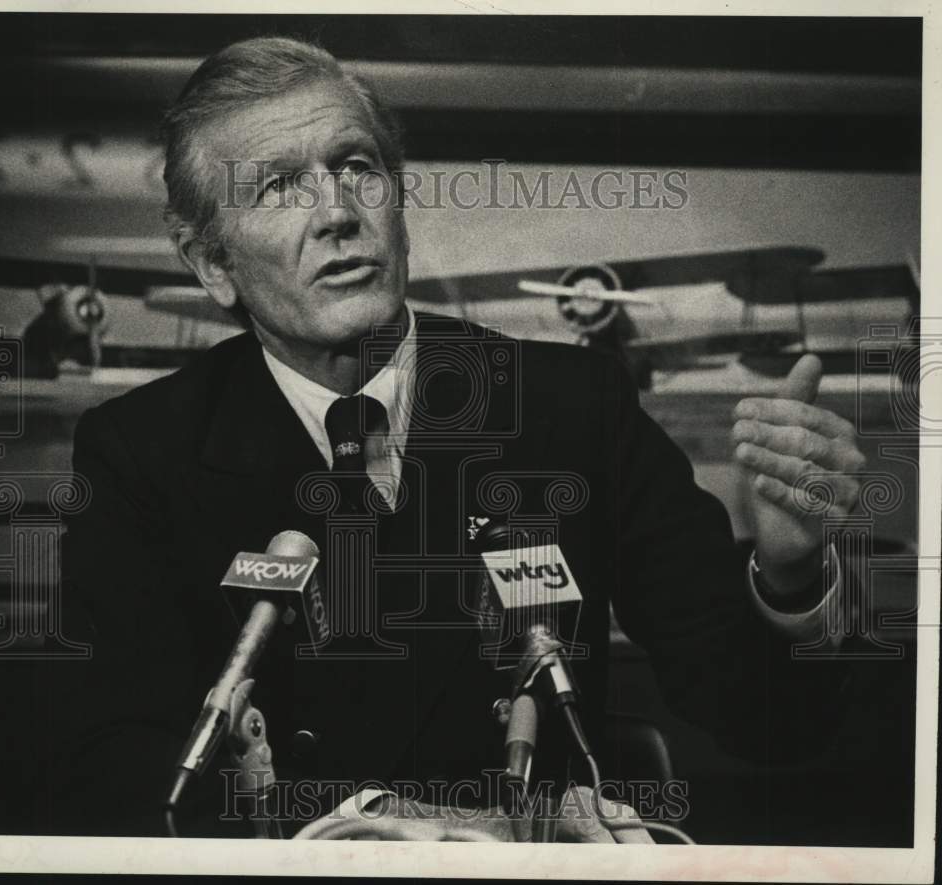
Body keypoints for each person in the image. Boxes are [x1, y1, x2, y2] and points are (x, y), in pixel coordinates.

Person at [48, 36, 864, 838]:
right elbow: (112, 765)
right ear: (209, 262)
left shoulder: (571, 405)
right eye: (279, 187)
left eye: (357, 168)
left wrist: (792, 579)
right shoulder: (139, 452)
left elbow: (772, 724)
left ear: (398, 208)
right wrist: (357, 831)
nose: (336, 212)